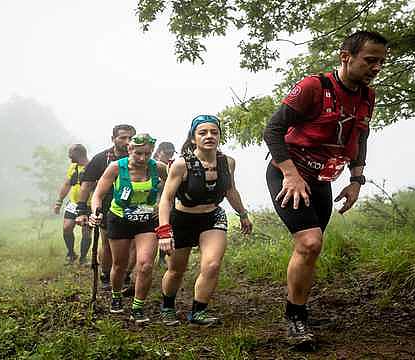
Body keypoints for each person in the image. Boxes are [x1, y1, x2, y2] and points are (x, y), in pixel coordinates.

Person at [262, 31, 387, 347]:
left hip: (322, 180)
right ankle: (296, 319)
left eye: (381, 62)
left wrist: (357, 180)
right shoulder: (314, 87)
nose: (376, 68)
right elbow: (273, 130)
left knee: (310, 250)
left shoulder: (367, 97)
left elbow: (361, 138)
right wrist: (290, 174)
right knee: (309, 242)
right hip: (289, 174)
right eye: (370, 60)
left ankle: (297, 303)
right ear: (346, 56)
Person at [157, 115, 252, 326]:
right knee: (176, 270)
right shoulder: (181, 164)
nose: (209, 136)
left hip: (212, 217)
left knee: (211, 265)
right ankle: (168, 306)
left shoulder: (228, 162)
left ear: (219, 136)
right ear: (193, 139)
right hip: (182, 219)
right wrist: (164, 231)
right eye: (203, 133)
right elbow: (166, 199)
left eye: (214, 132)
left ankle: (198, 311)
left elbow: (230, 190)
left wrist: (243, 214)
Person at [90, 133, 168, 324]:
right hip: (119, 219)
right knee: (120, 265)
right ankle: (116, 296)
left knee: (146, 264)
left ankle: (138, 307)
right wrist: (95, 212)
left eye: (147, 154)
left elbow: (171, 188)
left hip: (146, 220)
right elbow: (98, 194)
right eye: (138, 153)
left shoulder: (158, 168)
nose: (143, 158)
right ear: (130, 150)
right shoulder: (116, 167)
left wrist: (161, 203)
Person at [76, 124, 136, 290]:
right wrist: (82, 211)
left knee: (133, 245)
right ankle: (105, 272)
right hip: (108, 208)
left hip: (134, 208)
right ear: (113, 139)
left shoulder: (140, 159)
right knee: (108, 244)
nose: (127, 141)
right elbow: (87, 184)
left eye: (131, 138)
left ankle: (125, 274)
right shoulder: (101, 159)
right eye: (123, 137)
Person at [54, 144, 92, 265]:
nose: (69, 156)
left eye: (71, 154)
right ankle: (71, 253)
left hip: (89, 205)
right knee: (66, 228)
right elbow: (66, 184)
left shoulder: (92, 167)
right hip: (73, 203)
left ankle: (83, 258)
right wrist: (59, 202)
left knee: (86, 231)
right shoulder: (73, 167)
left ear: (78, 153)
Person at [153, 141, 176, 267]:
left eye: (171, 154)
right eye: (167, 153)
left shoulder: (171, 166)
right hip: (149, 204)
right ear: (159, 152)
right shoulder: (151, 165)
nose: (169, 156)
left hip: (165, 204)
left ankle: (162, 258)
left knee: (165, 229)